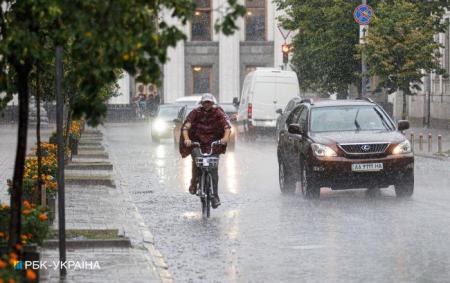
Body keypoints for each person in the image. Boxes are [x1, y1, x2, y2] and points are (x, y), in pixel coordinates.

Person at [179, 94, 231, 208]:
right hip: (198, 143)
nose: (207, 104)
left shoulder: (218, 113)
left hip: (213, 144)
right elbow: (186, 127)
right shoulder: (195, 113)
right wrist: (187, 139)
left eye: (209, 102)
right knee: (197, 163)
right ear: (202, 103)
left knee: (213, 169)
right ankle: (194, 183)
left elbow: (226, 127)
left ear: (212, 103)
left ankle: (215, 196)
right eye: (205, 102)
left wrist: (225, 138)